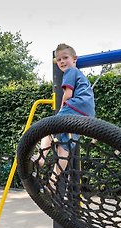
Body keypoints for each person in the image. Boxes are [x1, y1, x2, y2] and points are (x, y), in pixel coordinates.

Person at [32, 43, 95, 191]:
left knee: (48, 128)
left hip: (74, 106)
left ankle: (41, 158)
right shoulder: (80, 75)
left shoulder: (71, 71)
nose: (62, 62)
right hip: (86, 115)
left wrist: (61, 109)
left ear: (74, 59)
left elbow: (68, 94)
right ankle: (53, 182)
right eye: (58, 60)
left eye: (65, 58)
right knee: (64, 146)